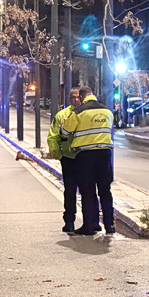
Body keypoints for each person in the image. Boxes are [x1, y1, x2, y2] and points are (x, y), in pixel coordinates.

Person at [48, 87, 115, 236]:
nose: (77, 100)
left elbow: (64, 132)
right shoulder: (107, 111)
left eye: (79, 97)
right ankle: (110, 225)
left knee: (88, 191)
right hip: (105, 154)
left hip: (86, 155)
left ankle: (89, 226)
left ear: (83, 97)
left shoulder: (78, 112)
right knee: (105, 190)